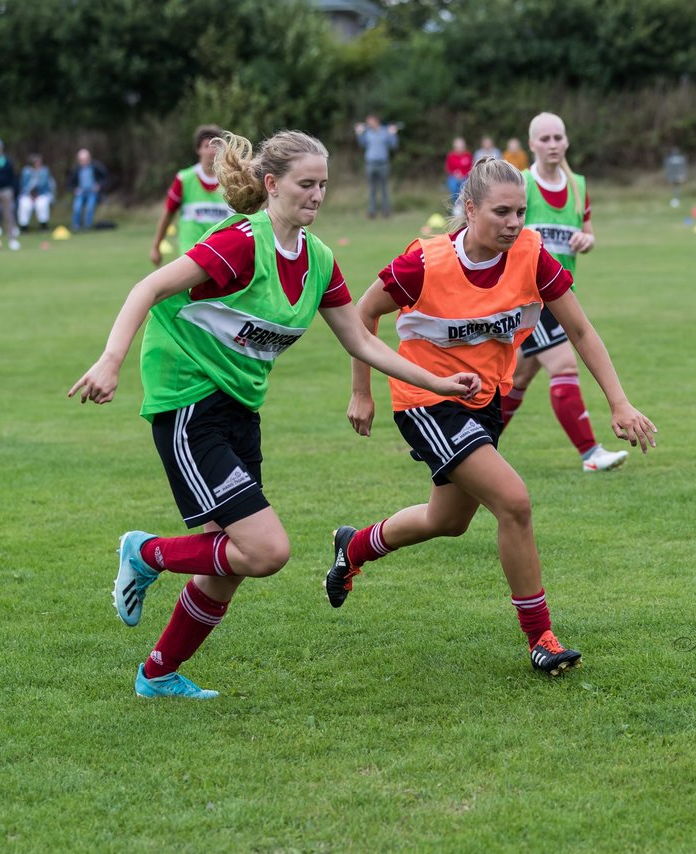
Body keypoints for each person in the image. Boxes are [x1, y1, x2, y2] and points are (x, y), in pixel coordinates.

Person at [68, 130, 479, 700]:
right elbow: (149, 286)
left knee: (227, 563)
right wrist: (111, 361)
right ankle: (144, 551)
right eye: (305, 184)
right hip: (189, 401)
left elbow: (361, 341)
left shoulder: (318, 260)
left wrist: (436, 381)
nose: (316, 195)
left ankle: (157, 676)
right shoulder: (240, 243)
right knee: (265, 551)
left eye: (323, 185)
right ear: (271, 184)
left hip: (240, 408)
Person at [327, 157, 657, 676]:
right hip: (426, 401)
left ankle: (355, 546)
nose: (513, 223)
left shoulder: (532, 255)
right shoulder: (424, 262)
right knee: (514, 501)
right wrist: (360, 392)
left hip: (488, 402)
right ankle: (540, 636)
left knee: (448, 521)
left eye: (520, 212)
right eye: (501, 212)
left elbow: (582, 331)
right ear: (470, 208)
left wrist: (619, 402)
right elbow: (361, 314)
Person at [501, 111, 630, 473]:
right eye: (545, 139)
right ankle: (591, 453)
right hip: (527, 295)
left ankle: (472, 442)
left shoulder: (578, 185)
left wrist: (586, 240)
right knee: (564, 363)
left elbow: (586, 232)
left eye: (558, 138)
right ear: (531, 145)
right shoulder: (521, 184)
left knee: (519, 378)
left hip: (561, 295)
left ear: (567, 141)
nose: (553, 145)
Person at [150, 125, 234, 266]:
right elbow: (168, 213)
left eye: (216, 146)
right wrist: (156, 246)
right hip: (191, 254)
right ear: (198, 149)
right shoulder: (184, 179)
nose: (212, 151)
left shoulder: (231, 180)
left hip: (221, 253)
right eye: (207, 146)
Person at [355, 115, 399, 219]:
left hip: (383, 164)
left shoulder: (385, 132)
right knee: (372, 190)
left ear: (376, 121)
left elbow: (393, 145)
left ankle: (386, 212)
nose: (368, 124)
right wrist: (359, 134)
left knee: (384, 189)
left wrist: (393, 134)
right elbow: (361, 144)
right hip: (370, 164)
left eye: (370, 122)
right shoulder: (367, 133)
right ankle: (371, 212)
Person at [67, 148, 108, 231]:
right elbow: (70, 183)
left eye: (85, 159)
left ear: (89, 158)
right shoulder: (76, 169)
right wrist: (75, 189)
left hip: (92, 192)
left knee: (90, 207)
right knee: (77, 208)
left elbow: (105, 177)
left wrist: (99, 186)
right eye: (81, 160)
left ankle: (87, 226)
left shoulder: (96, 166)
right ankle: (76, 226)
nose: (83, 161)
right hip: (80, 193)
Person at [17, 153, 56, 231]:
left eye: (38, 161)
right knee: (24, 204)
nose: (37, 163)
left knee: (42, 203)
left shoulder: (45, 171)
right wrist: (30, 196)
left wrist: (38, 195)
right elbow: (23, 186)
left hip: (42, 194)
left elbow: (49, 186)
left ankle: (43, 225)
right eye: (35, 162)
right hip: (28, 195)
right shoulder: (26, 172)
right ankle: (24, 227)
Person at [445, 137, 472, 208]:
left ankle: (464, 205)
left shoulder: (467, 155)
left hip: (466, 177)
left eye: (461, 146)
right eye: (458, 147)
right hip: (454, 177)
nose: (460, 148)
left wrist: (465, 174)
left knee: (465, 186)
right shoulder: (451, 156)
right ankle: (455, 205)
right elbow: (449, 168)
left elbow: (470, 167)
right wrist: (455, 173)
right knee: (453, 185)